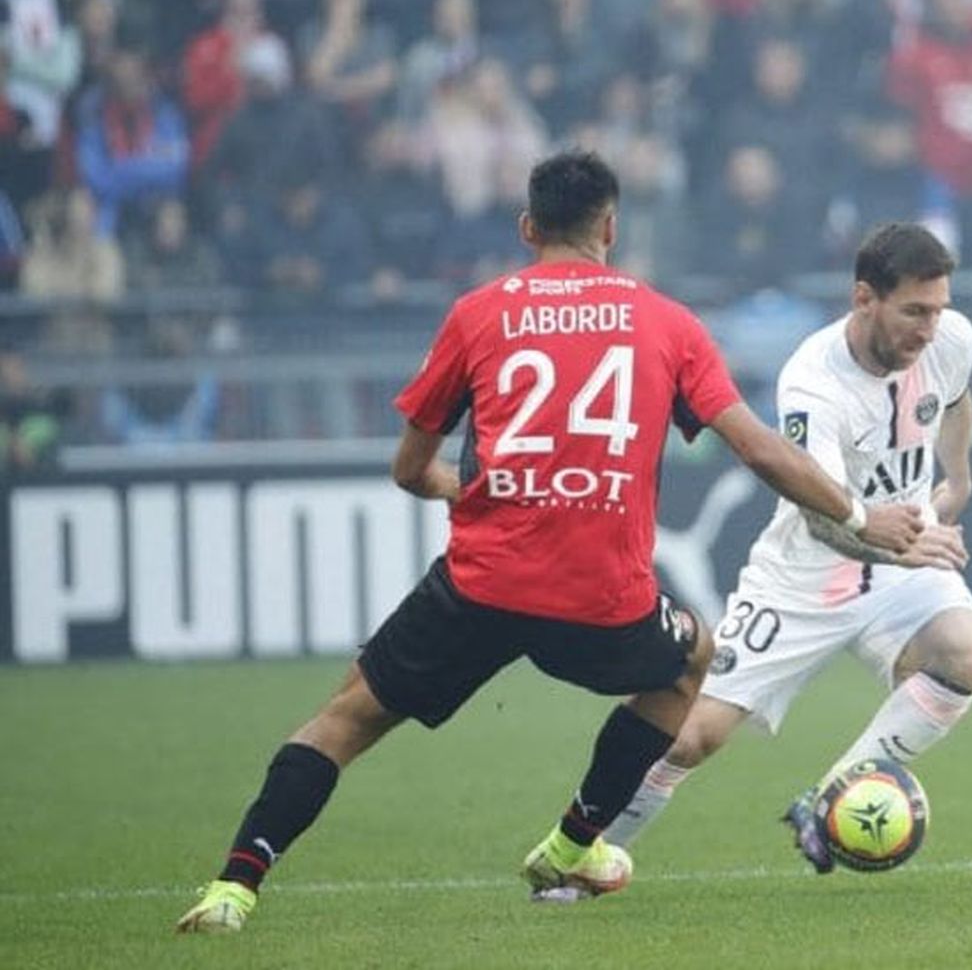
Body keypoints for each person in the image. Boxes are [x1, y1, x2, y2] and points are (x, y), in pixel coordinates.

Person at [174, 151, 926, 932]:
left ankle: (234, 887)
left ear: (529, 228)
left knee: (344, 721)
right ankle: (572, 843)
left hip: (482, 586)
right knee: (691, 662)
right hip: (602, 597)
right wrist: (862, 518)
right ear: (611, 226)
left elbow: (408, 467)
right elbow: (761, 451)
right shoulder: (668, 322)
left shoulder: (477, 314)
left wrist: (450, 487)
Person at [602, 222, 972, 876]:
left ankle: (828, 798)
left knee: (965, 651)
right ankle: (583, 853)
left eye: (938, 310)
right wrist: (898, 545)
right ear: (864, 298)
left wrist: (960, 476)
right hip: (807, 573)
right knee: (692, 737)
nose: (929, 329)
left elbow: (954, 397)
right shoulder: (813, 382)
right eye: (913, 312)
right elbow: (821, 517)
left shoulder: (951, 338)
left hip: (907, 550)